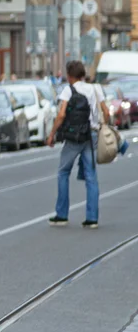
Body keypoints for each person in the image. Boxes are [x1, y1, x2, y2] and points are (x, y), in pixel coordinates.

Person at [47, 60, 110, 228]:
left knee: (63, 172)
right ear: (83, 74)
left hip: (74, 137)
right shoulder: (96, 88)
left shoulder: (68, 90)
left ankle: (62, 215)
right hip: (92, 136)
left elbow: (61, 115)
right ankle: (92, 218)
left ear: (69, 76)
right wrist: (103, 127)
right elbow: (106, 112)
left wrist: (52, 134)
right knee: (91, 177)